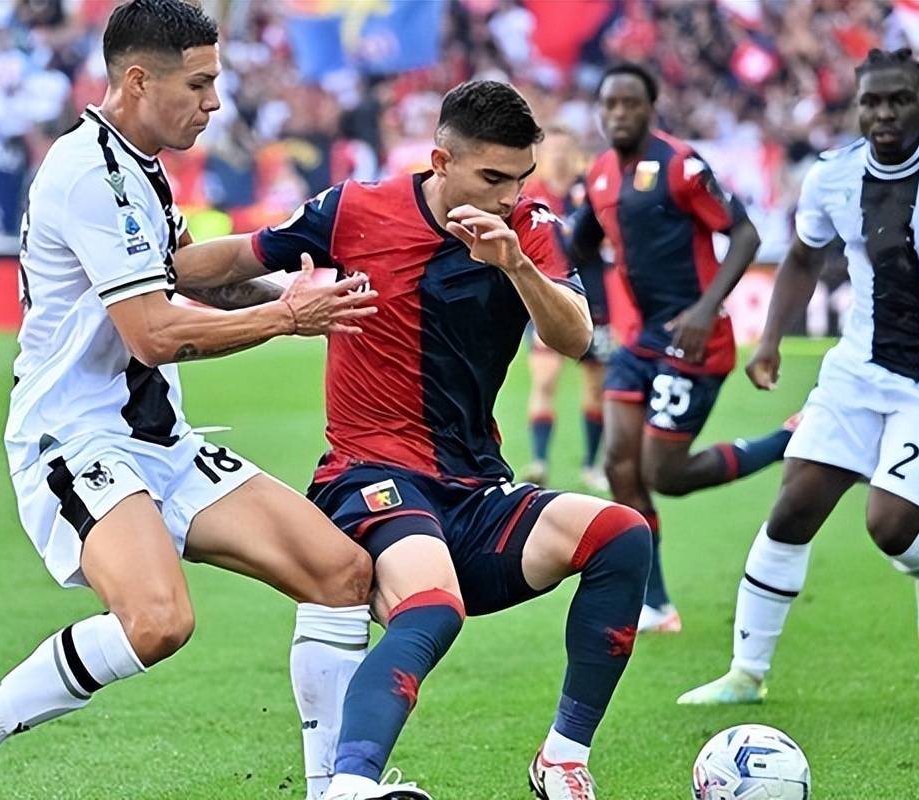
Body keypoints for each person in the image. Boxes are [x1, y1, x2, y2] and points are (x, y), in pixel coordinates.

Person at [0, 3, 382, 798]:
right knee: (157, 623)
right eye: (199, 84)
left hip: (159, 438)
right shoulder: (88, 172)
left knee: (340, 573)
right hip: (75, 439)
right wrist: (286, 318)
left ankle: (331, 789)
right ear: (137, 80)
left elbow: (190, 272)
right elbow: (154, 334)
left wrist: (297, 283)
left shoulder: (137, 162)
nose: (214, 103)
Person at [177, 80, 654, 800]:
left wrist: (515, 265)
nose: (508, 196)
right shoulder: (355, 209)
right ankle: (351, 786)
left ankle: (561, 759)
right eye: (492, 178)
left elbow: (576, 337)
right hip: (368, 476)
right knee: (432, 606)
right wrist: (155, 262)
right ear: (441, 161)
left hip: (473, 489)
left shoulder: (528, 229)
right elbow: (229, 266)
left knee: (622, 535)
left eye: (520, 178)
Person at [678, 49, 919, 706]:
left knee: (890, 525)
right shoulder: (832, 176)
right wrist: (771, 340)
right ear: (857, 107)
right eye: (871, 101)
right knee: (794, 505)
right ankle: (746, 672)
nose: (884, 113)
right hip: (856, 369)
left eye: (898, 100)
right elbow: (802, 258)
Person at [576, 63, 795, 633]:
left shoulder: (681, 165)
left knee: (665, 473)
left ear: (651, 109)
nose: (618, 114)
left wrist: (704, 309)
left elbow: (745, 234)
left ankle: (790, 441)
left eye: (629, 103)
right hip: (640, 340)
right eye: (609, 104)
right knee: (619, 465)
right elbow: (580, 242)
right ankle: (654, 602)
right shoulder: (599, 174)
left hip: (694, 338)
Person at [520, 127, 614, 495]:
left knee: (595, 383)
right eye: (552, 149)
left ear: (574, 151)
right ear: (542, 154)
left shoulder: (591, 191)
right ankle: (540, 462)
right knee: (544, 379)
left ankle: (591, 465)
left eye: (564, 148)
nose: (558, 155)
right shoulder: (530, 194)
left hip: (593, 298)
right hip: (545, 298)